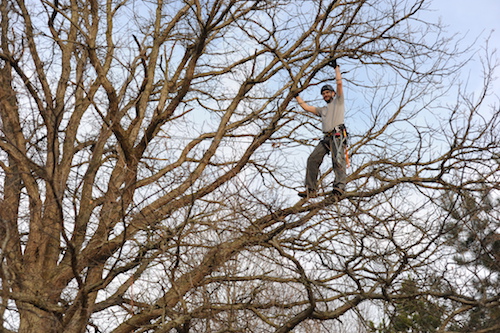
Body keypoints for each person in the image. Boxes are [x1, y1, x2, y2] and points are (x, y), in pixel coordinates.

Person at [294, 60, 347, 198]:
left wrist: (336, 68)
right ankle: (311, 189)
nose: (325, 95)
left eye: (328, 92)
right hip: (326, 138)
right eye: (323, 94)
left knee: (338, 161)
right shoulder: (322, 109)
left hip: (337, 135)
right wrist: (296, 95)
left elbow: (339, 84)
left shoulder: (338, 102)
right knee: (312, 159)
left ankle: (339, 187)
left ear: (333, 93)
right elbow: (306, 107)